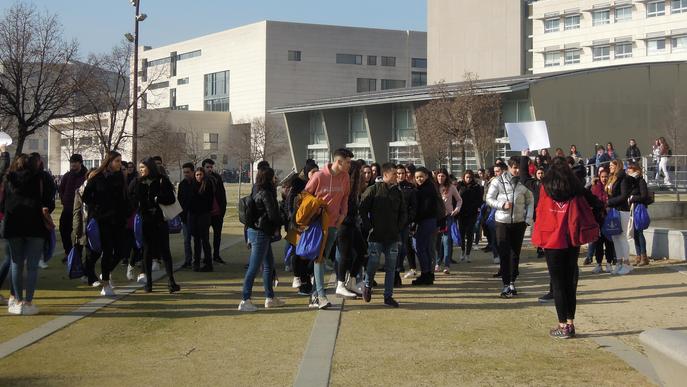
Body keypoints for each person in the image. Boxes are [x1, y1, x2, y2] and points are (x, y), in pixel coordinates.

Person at [533, 157, 597, 339]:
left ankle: (563, 326)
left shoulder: (545, 187)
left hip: (551, 237)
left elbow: (538, 206)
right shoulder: (575, 188)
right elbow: (595, 202)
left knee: (558, 283)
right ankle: (570, 322)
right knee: (569, 283)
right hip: (571, 237)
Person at [1, 154, 53, 315]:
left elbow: (2, 205)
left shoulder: (8, 179)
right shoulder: (40, 178)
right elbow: (48, 201)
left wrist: (4, 156)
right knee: (32, 267)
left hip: (13, 225)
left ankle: (16, 300)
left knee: (16, 264)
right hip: (35, 225)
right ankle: (28, 302)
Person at [305, 148, 353, 309]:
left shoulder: (345, 177)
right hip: (317, 224)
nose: (349, 166)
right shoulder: (319, 176)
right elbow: (305, 195)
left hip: (334, 224)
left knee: (322, 258)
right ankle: (320, 296)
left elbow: (346, 196)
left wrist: (343, 214)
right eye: (348, 162)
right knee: (319, 259)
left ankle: (314, 297)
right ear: (339, 162)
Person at [129, 158, 181, 293]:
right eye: (139, 168)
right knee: (147, 251)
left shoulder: (162, 180)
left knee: (165, 251)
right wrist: (138, 204)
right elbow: (130, 197)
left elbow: (171, 198)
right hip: (145, 220)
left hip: (160, 220)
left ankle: (171, 281)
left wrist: (158, 198)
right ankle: (149, 283)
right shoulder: (137, 181)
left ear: (150, 168)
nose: (141, 170)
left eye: (143, 167)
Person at [359, 163, 407, 307]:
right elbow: (362, 209)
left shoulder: (397, 192)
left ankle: (388, 296)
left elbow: (403, 211)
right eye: (394, 174)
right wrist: (369, 227)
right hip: (376, 236)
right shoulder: (373, 190)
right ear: (385, 175)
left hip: (393, 236)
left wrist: (399, 227)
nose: (397, 177)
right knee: (373, 263)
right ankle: (368, 285)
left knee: (391, 267)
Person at [486, 156, 534, 298]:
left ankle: (512, 282)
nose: (517, 170)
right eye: (515, 168)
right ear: (509, 167)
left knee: (515, 254)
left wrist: (528, 219)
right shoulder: (498, 181)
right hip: (502, 222)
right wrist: (501, 205)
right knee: (504, 253)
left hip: (519, 223)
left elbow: (530, 200)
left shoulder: (524, 183)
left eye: (519, 168)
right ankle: (505, 284)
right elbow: (489, 199)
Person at [238, 167, 284, 311]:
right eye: (273, 177)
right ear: (270, 178)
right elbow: (273, 215)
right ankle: (245, 299)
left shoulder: (256, 189)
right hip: (261, 232)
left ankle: (270, 297)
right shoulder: (266, 193)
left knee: (269, 264)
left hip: (256, 231)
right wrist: (282, 219)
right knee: (254, 267)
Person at [82, 152, 129, 296]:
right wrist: (96, 210)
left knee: (121, 251)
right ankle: (106, 284)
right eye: (117, 161)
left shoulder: (120, 176)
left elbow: (123, 197)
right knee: (107, 250)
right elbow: (86, 197)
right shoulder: (96, 176)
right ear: (109, 162)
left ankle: (105, 273)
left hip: (118, 219)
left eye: (120, 161)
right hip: (102, 220)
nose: (120, 164)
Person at [334, 160, 365, 298]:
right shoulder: (346, 186)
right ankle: (341, 284)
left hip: (351, 223)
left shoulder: (352, 187)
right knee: (345, 255)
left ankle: (351, 281)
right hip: (345, 224)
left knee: (362, 251)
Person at [606, 160, 636, 275]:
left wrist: (609, 202)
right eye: (609, 166)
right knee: (615, 237)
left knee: (622, 236)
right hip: (614, 210)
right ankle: (618, 262)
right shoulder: (612, 178)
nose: (610, 167)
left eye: (612, 165)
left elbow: (624, 196)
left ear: (617, 166)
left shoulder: (623, 178)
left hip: (622, 210)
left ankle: (626, 263)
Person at [411, 167, 440, 286]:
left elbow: (425, 209)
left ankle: (426, 274)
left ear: (427, 176)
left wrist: (414, 219)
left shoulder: (426, 190)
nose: (419, 179)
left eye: (421, 176)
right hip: (428, 221)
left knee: (421, 248)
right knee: (425, 248)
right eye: (417, 177)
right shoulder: (428, 187)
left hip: (426, 221)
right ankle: (428, 274)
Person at [58, 154, 87, 261]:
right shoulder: (67, 175)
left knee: (79, 233)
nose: (73, 164)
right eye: (72, 162)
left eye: (75, 162)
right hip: (68, 208)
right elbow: (61, 189)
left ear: (80, 162)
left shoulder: (86, 175)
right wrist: (63, 200)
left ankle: (77, 254)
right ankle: (69, 252)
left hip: (81, 210)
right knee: (63, 229)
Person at [589, 169, 616, 274]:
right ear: (599, 177)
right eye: (602, 177)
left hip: (609, 218)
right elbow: (592, 201)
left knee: (609, 242)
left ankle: (609, 263)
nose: (604, 179)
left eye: (606, 177)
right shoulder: (595, 188)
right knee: (598, 243)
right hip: (598, 219)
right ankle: (598, 264)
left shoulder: (610, 188)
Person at [435, 168, 462, 274]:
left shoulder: (451, 187)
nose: (440, 178)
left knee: (447, 240)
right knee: (437, 241)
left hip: (448, 217)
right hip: (436, 217)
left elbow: (459, 200)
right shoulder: (433, 187)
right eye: (438, 176)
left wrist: (456, 209)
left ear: (446, 177)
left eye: (442, 176)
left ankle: (447, 265)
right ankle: (437, 262)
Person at [202, 158, 228, 265]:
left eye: (211, 167)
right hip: (206, 212)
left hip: (217, 212)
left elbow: (222, 194)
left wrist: (222, 210)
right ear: (203, 167)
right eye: (207, 167)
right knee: (205, 236)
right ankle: (206, 256)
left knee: (217, 236)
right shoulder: (200, 177)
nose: (209, 169)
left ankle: (216, 255)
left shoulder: (217, 178)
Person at [189, 167, 214, 271]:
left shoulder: (207, 185)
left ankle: (208, 263)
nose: (199, 177)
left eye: (200, 174)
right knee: (196, 241)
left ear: (204, 175)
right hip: (194, 215)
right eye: (197, 175)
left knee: (205, 240)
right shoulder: (193, 185)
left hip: (204, 215)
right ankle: (196, 262)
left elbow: (209, 201)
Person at [456, 170, 483, 264]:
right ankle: (463, 251)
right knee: (462, 233)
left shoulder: (476, 187)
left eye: (470, 177)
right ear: (464, 177)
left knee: (470, 233)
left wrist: (477, 208)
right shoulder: (459, 186)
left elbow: (480, 199)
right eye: (467, 177)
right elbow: (456, 198)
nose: (468, 179)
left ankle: (468, 253)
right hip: (461, 213)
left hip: (472, 213)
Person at [626, 164, 651, 266]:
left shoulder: (641, 181)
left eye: (630, 169)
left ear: (636, 170)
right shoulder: (630, 182)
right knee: (635, 233)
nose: (628, 171)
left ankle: (644, 256)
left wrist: (633, 198)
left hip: (638, 208)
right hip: (632, 209)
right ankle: (638, 256)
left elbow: (644, 195)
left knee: (639, 232)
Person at [397, 165, 418, 280]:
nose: (400, 176)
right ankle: (397, 268)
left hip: (405, 222)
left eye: (402, 173)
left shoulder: (410, 188)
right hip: (392, 222)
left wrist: (409, 219)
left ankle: (407, 268)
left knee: (405, 246)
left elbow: (414, 207)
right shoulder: (391, 186)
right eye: (398, 173)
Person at [177, 163, 195, 268]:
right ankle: (188, 260)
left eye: (188, 172)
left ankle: (197, 259)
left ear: (192, 172)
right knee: (186, 240)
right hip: (185, 216)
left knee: (198, 239)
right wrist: (181, 215)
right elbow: (179, 200)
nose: (186, 174)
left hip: (196, 215)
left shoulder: (197, 183)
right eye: (184, 172)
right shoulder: (182, 184)